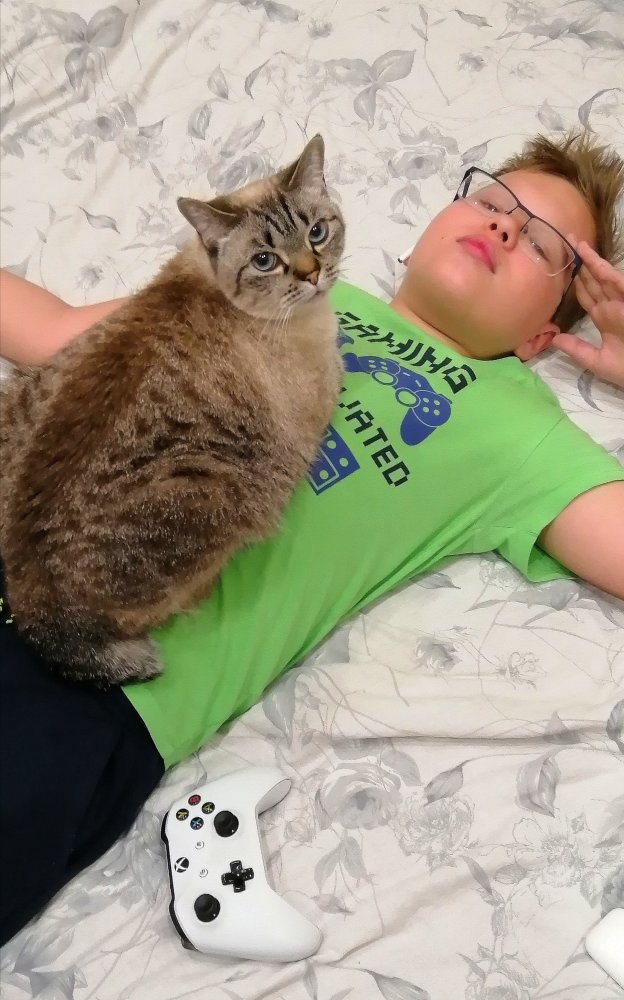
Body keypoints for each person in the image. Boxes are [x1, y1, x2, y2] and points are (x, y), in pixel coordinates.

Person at [1, 129, 623, 946]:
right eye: (491, 200)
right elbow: (57, 331)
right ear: (419, 239)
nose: (505, 226)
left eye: (543, 244)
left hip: (109, 679)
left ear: (546, 333)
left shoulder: (522, 429)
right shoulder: (268, 276)